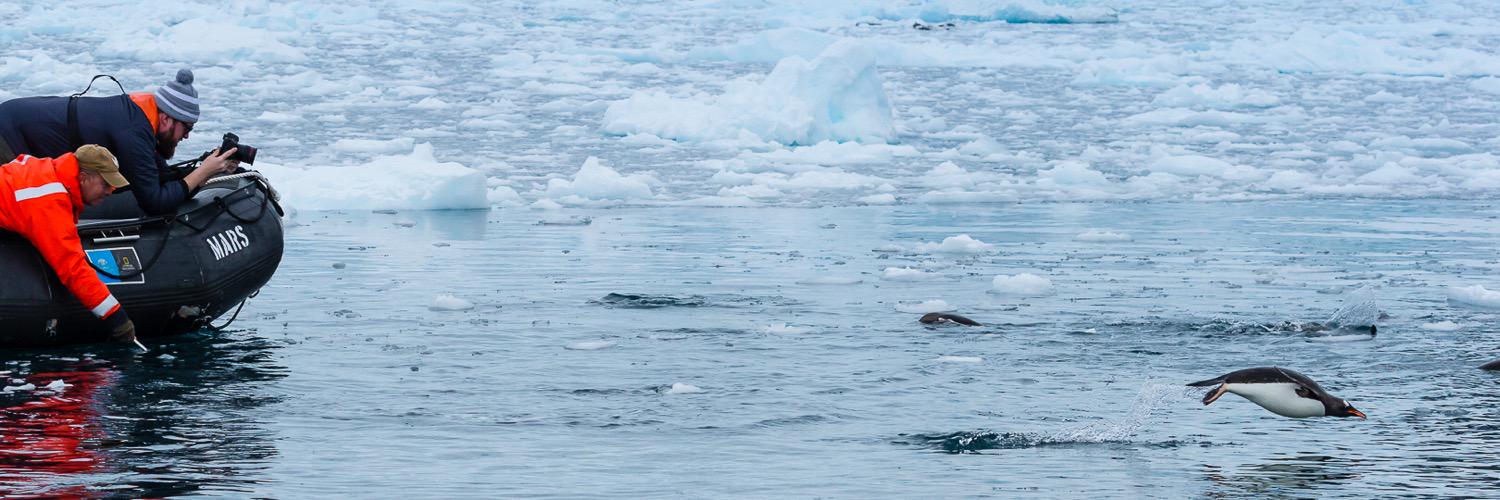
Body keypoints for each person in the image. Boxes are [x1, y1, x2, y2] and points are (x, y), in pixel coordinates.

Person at [0, 69, 238, 216]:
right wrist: (202, 173)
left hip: (18, 118)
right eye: (187, 128)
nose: (186, 136)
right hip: (9, 134)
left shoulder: (143, 117)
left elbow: (161, 178)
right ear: (167, 118)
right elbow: (154, 202)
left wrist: (208, 169)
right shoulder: (133, 132)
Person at [0, 145, 138, 346]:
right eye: (105, 184)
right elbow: (72, 267)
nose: (111, 191)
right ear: (83, 178)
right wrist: (117, 319)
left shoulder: (46, 171)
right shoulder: (50, 202)